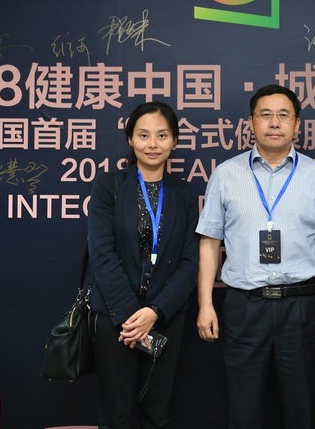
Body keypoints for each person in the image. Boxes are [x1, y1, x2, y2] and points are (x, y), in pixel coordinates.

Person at [195, 84, 315, 429]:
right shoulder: (226, 174)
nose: (274, 123)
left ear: (297, 125)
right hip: (244, 306)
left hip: (301, 307)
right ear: (251, 122)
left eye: (284, 115)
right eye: (265, 115)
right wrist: (205, 304)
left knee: (301, 407)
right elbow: (209, 243)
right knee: (243, 409)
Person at [88, 101, 199, 429]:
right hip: (115, 319)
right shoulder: (109, 185)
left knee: (156, 415)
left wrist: (155, 311)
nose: (153, 144)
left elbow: (190, 261)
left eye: (162, 135)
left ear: (174, 141)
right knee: (116, 416)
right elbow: (101, 253)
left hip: (164, 318)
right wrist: (130, 315)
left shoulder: (184, 193)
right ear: (130, 139)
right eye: (144, 135)